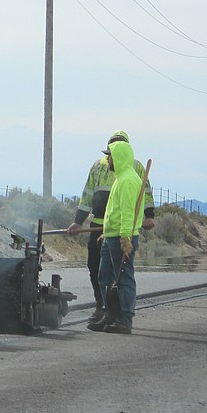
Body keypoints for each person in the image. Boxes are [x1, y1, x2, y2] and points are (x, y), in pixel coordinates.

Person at [66, 130, 154, 323]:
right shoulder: (99, 167)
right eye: (108, 153)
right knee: (97, 271)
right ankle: (104, 308)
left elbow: (140, 197)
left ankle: (121, 316)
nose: (109, 157)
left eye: (112, 153)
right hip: (101, 228)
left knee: (120, 275)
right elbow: (88, 194)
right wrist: (78, 221)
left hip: (119, 231)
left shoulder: (132, 172)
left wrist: (148, 216)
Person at [88, 139, 148, 334]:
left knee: (123, 279)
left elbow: (127, 213)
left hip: (122, 239)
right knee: (104, 277)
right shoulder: (120, 178)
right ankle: (110, 315)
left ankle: (125, 319)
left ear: (119, 157)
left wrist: (125, 238)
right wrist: (107, 232)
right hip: (111, 237)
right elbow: (114, 211)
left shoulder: (129, 180)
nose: (108, 160)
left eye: (111, 156)